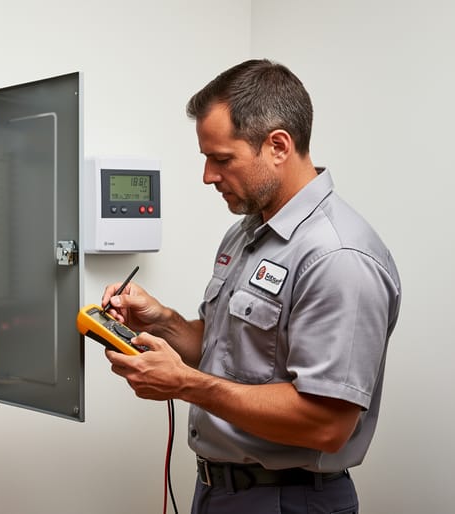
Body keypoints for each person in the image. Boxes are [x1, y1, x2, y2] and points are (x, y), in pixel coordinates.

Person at [101, 59, 401, 514]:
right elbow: (231, 356)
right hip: (220, 492)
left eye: (222, 159)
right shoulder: (248, 231)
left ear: (278, 145)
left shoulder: (338, 257)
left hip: (288, 499)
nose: (208, 175)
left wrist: (185, 385)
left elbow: (326, 424)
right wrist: (163, 323)